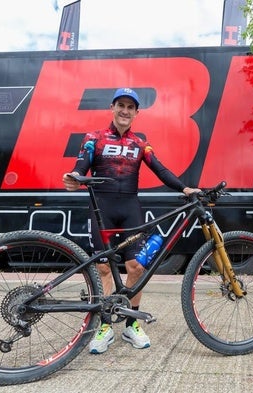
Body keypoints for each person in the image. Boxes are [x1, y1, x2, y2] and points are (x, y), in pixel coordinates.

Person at [62, 87, 200, 355]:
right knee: (103, 270)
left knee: (136, 266)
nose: (125, 111)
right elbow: (81, 164)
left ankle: (131, 323)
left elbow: (159, 168)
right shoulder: (94, 138)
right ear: (112, 108)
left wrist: (184, 188)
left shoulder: (140, 144)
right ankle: (104, 326)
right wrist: (74, 176)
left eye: (130, 107)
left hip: (130, 209)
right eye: (121, 105)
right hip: (101, 209)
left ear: (136, 113)